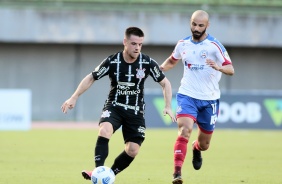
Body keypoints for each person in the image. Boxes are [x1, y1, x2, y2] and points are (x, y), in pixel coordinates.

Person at [61, 27, 176, 181]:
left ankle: (109, 175)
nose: (137, 48)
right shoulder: (112, 61)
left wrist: (168, 106)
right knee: (104, 130)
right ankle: (98, 171)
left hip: (135, 111)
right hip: (114, 106)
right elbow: (91, 77)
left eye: (140, 44)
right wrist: (74, 97)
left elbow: (166, 84)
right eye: (134, 43)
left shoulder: (147, 62)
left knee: (133, 150)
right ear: (125, 42)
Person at [160, 10, 235, 184]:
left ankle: (196, 148)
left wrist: (218, 67)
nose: (196, 28)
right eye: (194, 24)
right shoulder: (183, 44)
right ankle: (177, 174)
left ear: (207, 26)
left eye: (201, 25)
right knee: (184, 130)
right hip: (187, 95)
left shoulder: (215, 46)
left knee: (204, 145)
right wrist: (159, 70)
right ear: (190, 22)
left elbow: (231, 69)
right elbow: (172, 60)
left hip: (209, 100)